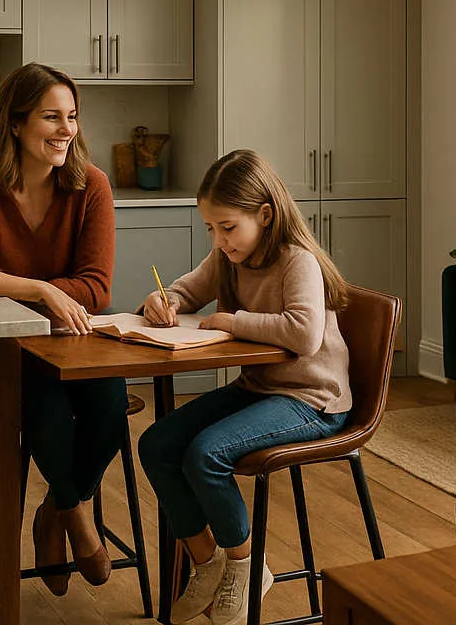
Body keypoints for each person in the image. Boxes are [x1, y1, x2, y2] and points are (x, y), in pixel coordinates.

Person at [137, 149, 353, 625]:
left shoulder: (298, 261)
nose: (218, 240)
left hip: (312, 400)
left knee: (206, 453)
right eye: (211, 229)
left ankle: (246, 564)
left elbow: (303, 333)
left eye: (227, 228)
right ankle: (208, 561)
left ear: (265, 214)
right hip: (261, 388)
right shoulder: (228, 255)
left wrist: (232, 321)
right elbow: (189, 289)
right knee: (157, 444)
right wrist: (163, 299)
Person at [0, 62, 125, 595]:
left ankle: (55, 512)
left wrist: (19, 287)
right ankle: (79, 521)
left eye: (72, 117)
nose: (67, 129)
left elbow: (98, 287)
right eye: (51, 117)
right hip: (7, 347)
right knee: (42, 408)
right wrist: (40, 290)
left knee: (110, 411)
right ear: (15, 123)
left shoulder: (91, 185)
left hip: (77, 341)